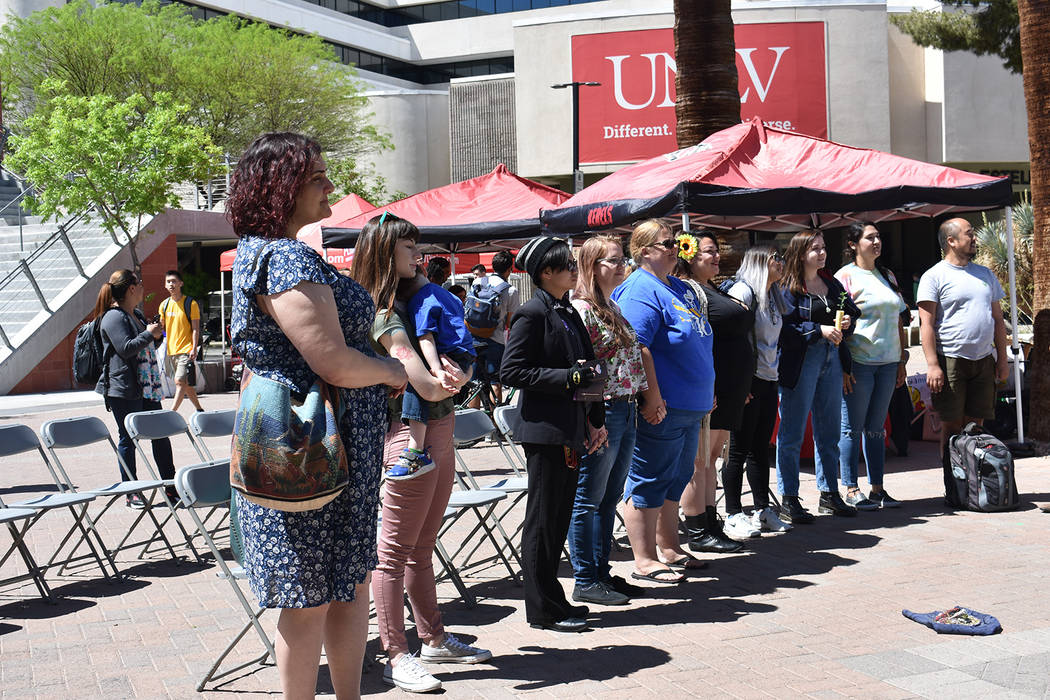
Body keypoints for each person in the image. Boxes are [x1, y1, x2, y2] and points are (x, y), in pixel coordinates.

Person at [227, 132, 407, 700]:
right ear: (282, 188)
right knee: (316, 592)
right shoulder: (285, 257)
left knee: (336, 585)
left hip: (311, 439)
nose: (329, 184)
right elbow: (330, 360)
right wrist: (390, 372)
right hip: (311, 442)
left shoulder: (262, 252)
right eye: (317, 177)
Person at [352, 213, 491, 694]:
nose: (418, 254)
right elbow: (425, 384)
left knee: (421, 547)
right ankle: (396, 653)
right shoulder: (380, 311)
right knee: (391, 555)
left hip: (437, 428)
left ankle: (431, 637)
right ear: (384, 252)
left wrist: (460, 377)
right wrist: (452, 380)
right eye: (408, 247)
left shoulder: (414, 301)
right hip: (405, 436)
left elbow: (439, 382)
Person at [501, 236, 607, 632]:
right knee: (543, 520)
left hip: (571, 426)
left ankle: (555, 600)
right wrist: (566, 378)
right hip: (545, 431)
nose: (575, 271)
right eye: (568, 266)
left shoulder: (565, 309)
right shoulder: (532, 312)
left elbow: (588, 366)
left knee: (558, 517)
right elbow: (512, 371)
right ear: (546, 272)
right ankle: (542, 609)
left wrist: (595, 419)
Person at [611, 220, 714, 584]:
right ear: (642, 251)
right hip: (663, 404)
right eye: (665, 243)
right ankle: (644, 558)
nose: (674, 247)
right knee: (649, 477)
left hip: (691, 403)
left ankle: (669, 547)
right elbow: (635, 346)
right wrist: (650, 397)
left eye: (675, 242)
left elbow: (697, 340)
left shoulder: (677, 288)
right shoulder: (640, 290)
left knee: (677, 475)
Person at [568, 235, 648, 606]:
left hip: (625, 406)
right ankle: (585, 577)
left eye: (621, 260)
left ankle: (601, 572)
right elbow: (582, 368)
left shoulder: (609, 304)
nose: (621, 266)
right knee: (588, 498)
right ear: (592, 265)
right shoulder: (582, 309)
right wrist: (590, 418)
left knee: (609, 497)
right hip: (603, 410)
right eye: (613, 261)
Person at [776, 230, 862, 523]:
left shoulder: (830, 283)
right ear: (800, 253)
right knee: (792, 432)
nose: (821, 253)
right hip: (801, 361)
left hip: (832, 358)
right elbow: (783, 329)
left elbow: (851, 312)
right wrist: (817, 329)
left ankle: (829, 494)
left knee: (828, 431)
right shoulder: (788, 287)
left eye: (823, 247)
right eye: (815, 249)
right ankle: (789, 498)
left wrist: (846, 322)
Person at [674, 230, 748, 550]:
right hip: (711, 387)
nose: (716, 256)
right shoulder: (688, 292)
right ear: (688, 256)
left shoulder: (710, 288)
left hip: (730, 386)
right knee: (699, 461)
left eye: (716, 250)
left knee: (711, 458)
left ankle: (709, 522)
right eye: (707, 251)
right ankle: (698, 529)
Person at [917, 218, 1008, 477]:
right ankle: (953, 483)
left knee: (976, 426)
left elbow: (998, 320)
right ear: (951, 241)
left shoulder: (985, 274)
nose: (975, 238)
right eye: (970, 234)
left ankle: (974, 483)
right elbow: (926, 324)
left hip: (983, 360)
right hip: (951, 360)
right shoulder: (934, 276)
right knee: (951, 427)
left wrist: (1001, 360)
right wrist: (933, 365)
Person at [836, 222, 909, 510]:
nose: (877, 241)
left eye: (879, 236)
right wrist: (843, 366)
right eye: (870, 237)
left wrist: (902, 358)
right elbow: (838, 323)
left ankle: (877, 488)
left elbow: (900, 319)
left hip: (889, 363)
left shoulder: (887, 275)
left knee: (877, 428)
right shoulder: (845, 277)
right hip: (860, 363)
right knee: (852, 428)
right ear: (853, 244)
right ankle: (851, 488)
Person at [723, 246, 793, 533]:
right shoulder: (743, 292)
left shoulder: (773, 295)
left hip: (768, 377)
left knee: (761, 447)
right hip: (748, 380)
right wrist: (740, 382)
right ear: (760, 262)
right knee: (738, 449)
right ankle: (732, 513)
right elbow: (731, 340)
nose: (781, 263)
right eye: (776, 259)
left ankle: (762, 509)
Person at [93, 269, 176, 509]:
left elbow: (145, 344)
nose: (142, 287)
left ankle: (170, 487)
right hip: (124, 388)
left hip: (146, 386)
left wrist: (155, 335)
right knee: (128, 438)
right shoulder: (113, 317)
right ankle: (131, 491)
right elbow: (126, 348)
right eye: (139, 283)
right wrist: (149, 335)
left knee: (160, 435)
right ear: (131, 288)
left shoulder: (136, 314)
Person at [387, 260, 476, 480]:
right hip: (464, 355)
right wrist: (464, 375)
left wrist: (435, 369)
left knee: (416, 385)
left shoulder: (421, 300)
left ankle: (415, 450)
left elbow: (425, 337)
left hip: (447, 356)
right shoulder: (446, 294)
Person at [471, 250, 519, 403]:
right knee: (495, 383)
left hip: (473, 337)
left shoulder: (478, 282)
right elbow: (510, 323)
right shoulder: (510, 290)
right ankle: (495, 422)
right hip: (495, 341)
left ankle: (472, 421)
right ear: (509, 269)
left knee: (474, 385)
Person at [159, 269, 204, 412]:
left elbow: (196, 328)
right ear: (165, 285)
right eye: (168, 282)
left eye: (174, 281)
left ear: (180, 283)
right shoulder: (164, 305)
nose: (171, 284)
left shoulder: (191, 303)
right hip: (171, 351)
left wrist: (194, 347)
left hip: (186, 350)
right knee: (186, 384)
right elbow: (161, 328)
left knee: (179, 382)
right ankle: (199, 409)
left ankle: (171, 413)